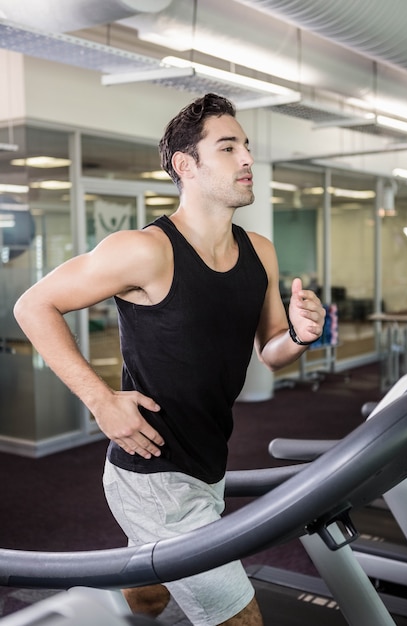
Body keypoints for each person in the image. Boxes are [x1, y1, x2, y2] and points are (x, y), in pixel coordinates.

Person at [14, 93, 325, 626]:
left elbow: (272, 353)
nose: (247, 158)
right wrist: (100, 400)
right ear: (186, 165)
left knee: (152, 595)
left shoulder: (260, 252)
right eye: (228, 147)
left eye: (246, 146)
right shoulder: (144, 250)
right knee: (239, 618)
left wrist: (301, 334)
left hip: (209, 462)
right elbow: (33, 304)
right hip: (153, 471)